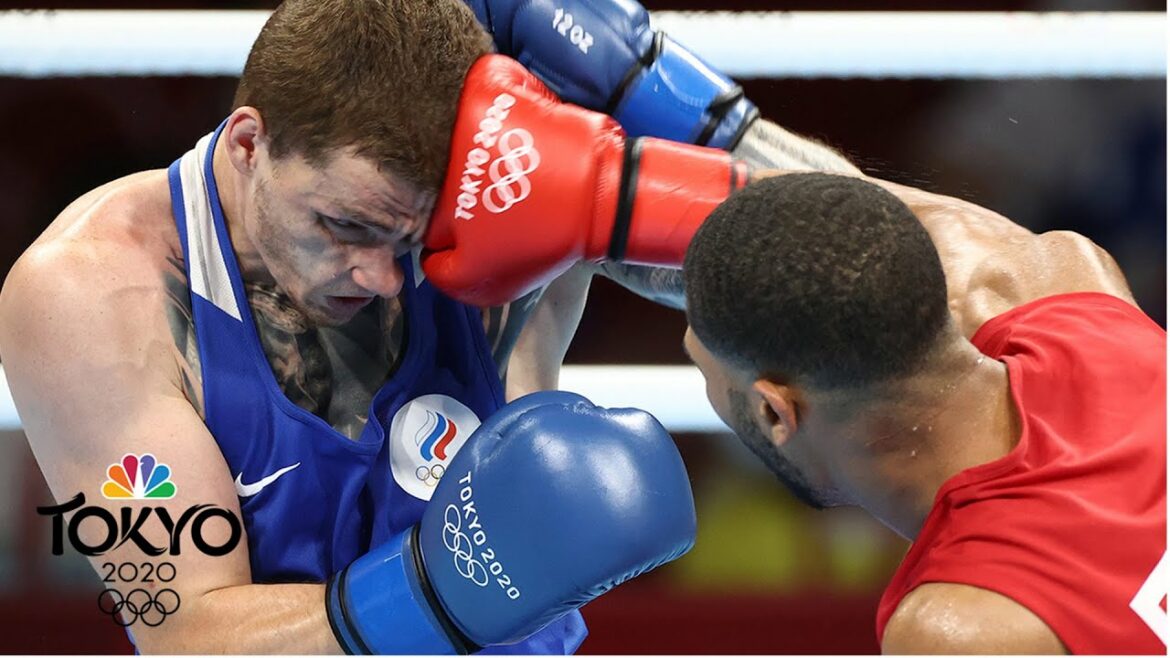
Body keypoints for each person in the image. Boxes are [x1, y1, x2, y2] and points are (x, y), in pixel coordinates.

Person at [0, 0, 716, 653]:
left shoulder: (492, 202)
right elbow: (184, 633)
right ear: (250, 145)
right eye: (345, 226)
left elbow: (802, 281)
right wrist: (435, 593)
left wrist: (704, 117)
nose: (386, 276)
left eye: (410, 237)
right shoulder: (93, 295)